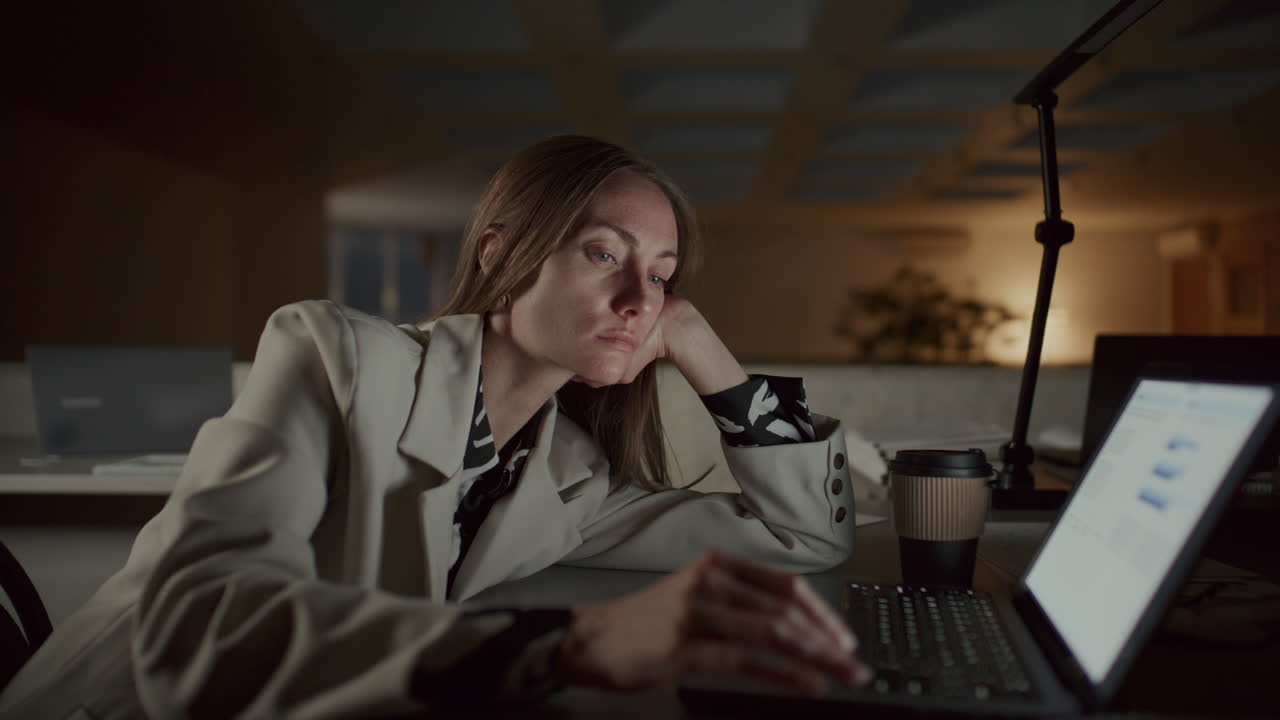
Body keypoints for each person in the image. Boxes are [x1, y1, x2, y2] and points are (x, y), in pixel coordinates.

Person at [0, 135, 869, 719]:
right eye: (604, 254)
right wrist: (561, 645)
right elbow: (198, 621)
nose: (640, 298)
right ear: (501, 255)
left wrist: (700, 345)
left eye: (664, 276)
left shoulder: (570, 475)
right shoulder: (334, 354)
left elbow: (807, 536)